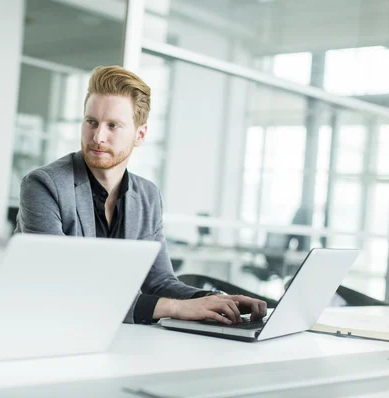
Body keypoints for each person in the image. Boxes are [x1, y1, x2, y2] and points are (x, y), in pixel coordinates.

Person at [16, 65, 267, 325]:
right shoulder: (43, 185)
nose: (98, 136)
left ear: (140, 134)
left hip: (116, 337)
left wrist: (214, 300)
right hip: (47, 330)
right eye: (92, 122)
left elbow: (159, 282)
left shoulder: (148, 196)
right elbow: (63, 284)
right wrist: (177, 309)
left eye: (113, 125)